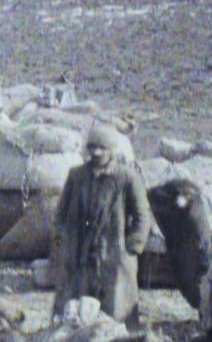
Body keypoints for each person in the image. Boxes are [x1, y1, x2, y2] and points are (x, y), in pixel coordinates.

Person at [49, 120, 153, 328]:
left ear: (112, 150)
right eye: (92, 148)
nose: (95, 153)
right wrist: (61, 242)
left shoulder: (127, 178)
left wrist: (131, 247)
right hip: (81, 254)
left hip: (113, 256)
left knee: (115, 312)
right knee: (74, 311)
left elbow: (142, 215)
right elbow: (60, 213)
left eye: (101, 148)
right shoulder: (77, 175)